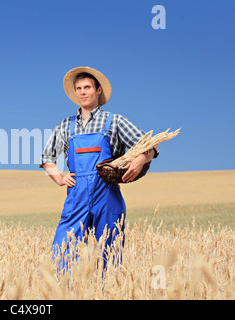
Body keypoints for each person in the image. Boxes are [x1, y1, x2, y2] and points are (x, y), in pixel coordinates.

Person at [40, 66, 158, 273]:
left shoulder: (115, 121)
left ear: (98, 90)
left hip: (107, 197)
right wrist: (58, 178)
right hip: (76, 197)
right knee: (62, 252)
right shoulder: (65, 126)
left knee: (109, 256)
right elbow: (47, 158)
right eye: (78, 88)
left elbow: (150, 145)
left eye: (87, 87)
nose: (82, 92)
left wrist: (140, 160)